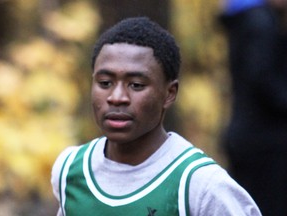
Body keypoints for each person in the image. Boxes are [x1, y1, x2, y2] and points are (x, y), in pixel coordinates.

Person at [51, 17, 261, 216]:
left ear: (169, 94)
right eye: (105, 83)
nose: (117, 97)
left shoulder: (201, 185)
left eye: (136, 85)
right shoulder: (70, 169)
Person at [219, 0, 287, 215]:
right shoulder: (261, 23)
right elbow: (263, 80)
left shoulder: (246, 20)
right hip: (266, 143)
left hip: (246, 136)